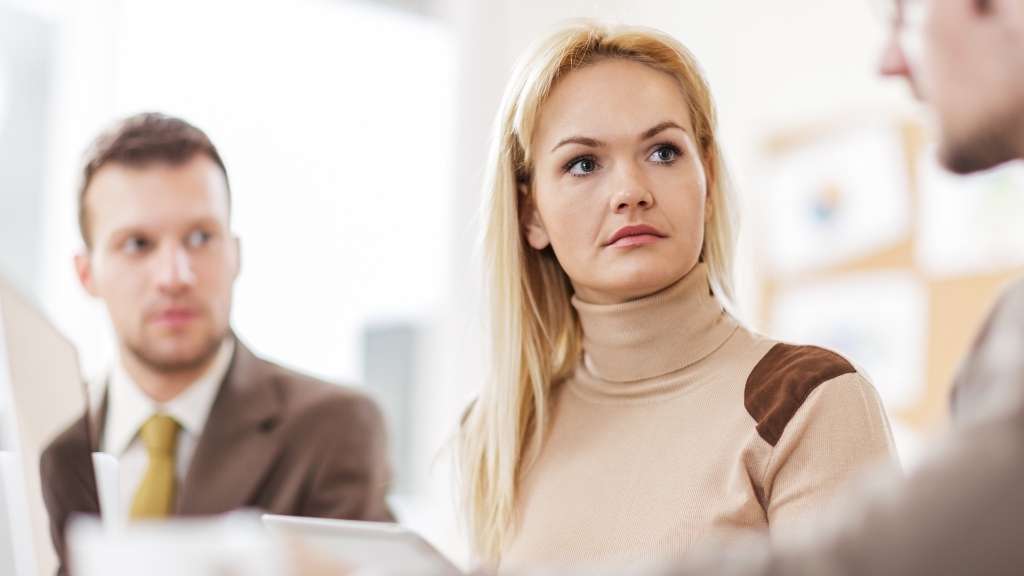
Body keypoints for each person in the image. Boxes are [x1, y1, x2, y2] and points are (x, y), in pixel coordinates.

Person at [455, 22, 898, 571]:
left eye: (663, 152)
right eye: (583, 164)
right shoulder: (502, 431)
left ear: (707, 177)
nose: (630, 193)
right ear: (530, 214)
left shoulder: (809, 399)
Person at [39, 112, 394, 575]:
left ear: (235, 254)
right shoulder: (49, 447)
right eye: (138, 244)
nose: (175, 277)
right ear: (86, 274)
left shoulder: (332, 430)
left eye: (201, 238)